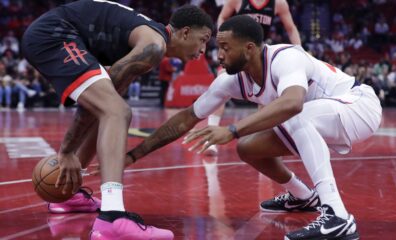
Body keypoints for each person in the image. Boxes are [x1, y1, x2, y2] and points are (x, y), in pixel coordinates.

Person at [125, 16, 381, 240]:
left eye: (225, 48)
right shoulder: (230, 80)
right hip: (322, 114)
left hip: (359, 106)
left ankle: (337, 215)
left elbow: (292, 103)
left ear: (249, 48)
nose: (219, 55)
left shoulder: (286, 57)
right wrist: (134, 154)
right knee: (249, 148)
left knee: (292, 112)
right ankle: (303, 196)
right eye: (217, 47)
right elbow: (187, 117)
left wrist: (233, 129)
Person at [22, 0, 213, 239]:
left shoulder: (147, 42)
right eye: (203, 39)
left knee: (111, 112)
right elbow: (97, 109)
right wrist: (67, 151)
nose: (204, 49)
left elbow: (99, 108)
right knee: (117, 112)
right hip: (54, 34)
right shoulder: (153, 46)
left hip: (63, 33)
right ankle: (112, 217)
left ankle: (69, 194)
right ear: (185, 32)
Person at [205, 0, 301, 155]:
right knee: (220, 86)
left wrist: (299, 50)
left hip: (258, 55)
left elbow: (291, 28)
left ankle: (262, 141)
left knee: (265, 97)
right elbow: (222, 18)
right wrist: (224, 43)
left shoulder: (279, 3)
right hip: (236, 53)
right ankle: (211, 139)